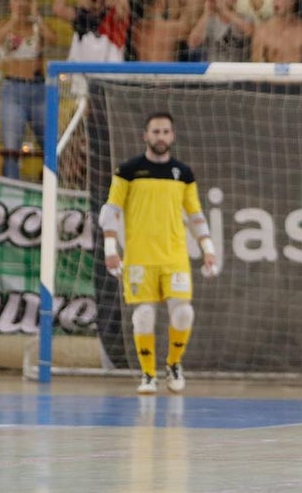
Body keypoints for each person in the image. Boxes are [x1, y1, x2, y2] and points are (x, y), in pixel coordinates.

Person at [101, 112, 218, 394]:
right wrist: (110, 248)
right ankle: (148, 374)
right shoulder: (128, 170)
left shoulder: (183, 173)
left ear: (173, 136)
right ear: (146, 136)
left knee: (184, 313)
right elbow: (111, 210)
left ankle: (174, 364)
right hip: (139, 257)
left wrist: (208, 249)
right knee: (143, 315)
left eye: (166, 132)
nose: (161, 137)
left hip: (174, 256)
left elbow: (195, 213)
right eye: (156, 132)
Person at [0, 0, 57, 179]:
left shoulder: (36, 28)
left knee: (49, 144)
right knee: (12, 147)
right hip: (12, 91)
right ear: (9, 3)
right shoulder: (2, 25)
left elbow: (53, 39)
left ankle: (49, 187)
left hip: (39, 91)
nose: (20, 3)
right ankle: (13, 191)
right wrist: (13, 20)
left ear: (30, 2)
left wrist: (36, 17)